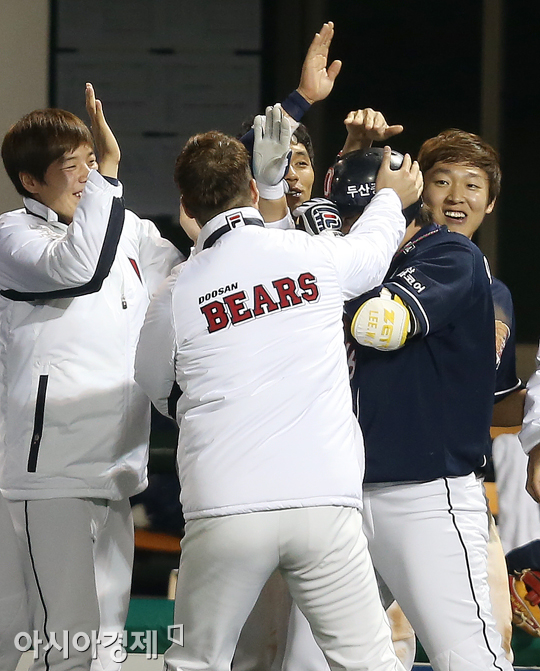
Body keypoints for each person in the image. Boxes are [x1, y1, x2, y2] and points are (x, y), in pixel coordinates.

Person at [134, 105, 423, 671]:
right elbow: (370, 258)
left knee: (196, 661)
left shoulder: (179, 288)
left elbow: (152, 381)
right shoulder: (309, 254)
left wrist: (200, 408)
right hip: (323, 499)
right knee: (369, 662)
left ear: (187, 207)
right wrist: (390, 198)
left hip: (225, 503)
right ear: (251, 189)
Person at [0, 84, 182, 670]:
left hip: (116, 470)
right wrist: (109, 174)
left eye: (89, 162)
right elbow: (78, 267)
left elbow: (187, 280)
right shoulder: (11, 237)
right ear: (31, 181)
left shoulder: (126, 230)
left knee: (102, 646)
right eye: (71, 166)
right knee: (60, 641)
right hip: (48, 475)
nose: (86, 177)